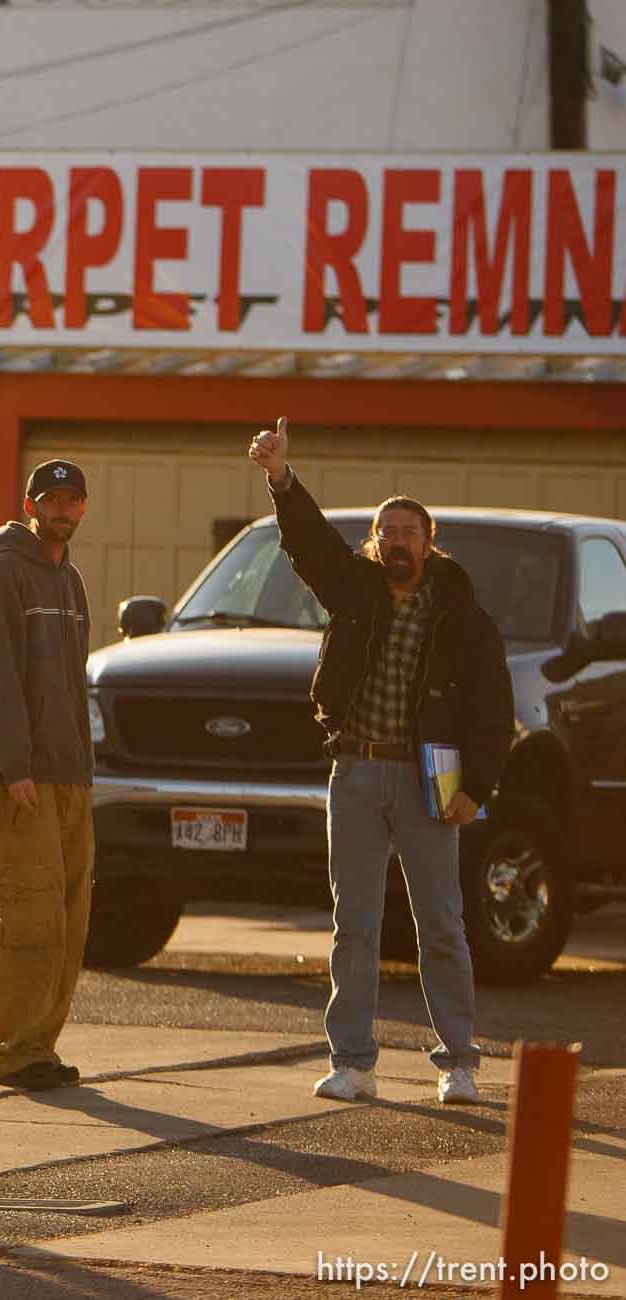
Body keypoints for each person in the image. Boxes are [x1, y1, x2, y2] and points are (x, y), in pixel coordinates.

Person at [249, 417, 512, 1106]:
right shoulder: (353, 588)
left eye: (409, 531)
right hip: (357, 771)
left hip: (435, 775)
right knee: (353, 924)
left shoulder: (463, 614)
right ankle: (353, 1063)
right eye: (386, 530)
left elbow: (492, 708)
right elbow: (307, 543)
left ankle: (458, 1062)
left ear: (429, 544)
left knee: (443, 925)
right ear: (374, 542)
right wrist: (281, 478)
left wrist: (476, 788)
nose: (396, 540)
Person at [0, 458, 94, 1091]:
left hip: (71, 775)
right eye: (52, 500)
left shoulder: (69, 582)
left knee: (69, 918)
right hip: (24, 778)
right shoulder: (7, 572)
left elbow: (72, 686)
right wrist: (13, 766)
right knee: (29, 913)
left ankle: (41, 1046)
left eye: (72, 501)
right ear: (29, 505)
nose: (62, 510)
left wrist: (84, 771)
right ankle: (11, 1050)